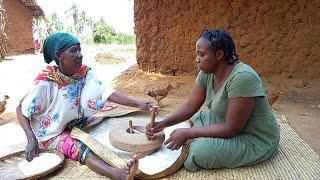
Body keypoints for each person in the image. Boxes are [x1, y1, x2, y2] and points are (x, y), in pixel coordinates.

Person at [17, 32, 152, 180]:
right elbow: (21, 110)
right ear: (59, 55)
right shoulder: (45, 82)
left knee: (105, 124)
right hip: (51, 133)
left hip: (73, 123)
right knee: (81, 147)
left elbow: (106, 92)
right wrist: (31, 139)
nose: (80, 55)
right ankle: (117, 174)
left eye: (80, 50)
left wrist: (138, 104)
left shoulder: (83, 73)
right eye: (74, 51)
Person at [146, 29, 280, 172]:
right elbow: (190, 106)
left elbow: (232, 128)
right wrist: (162, 124)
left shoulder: (243, 77)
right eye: (197, 54)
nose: (197, 59)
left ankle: (202, 142)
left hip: (253, 137)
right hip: (226, 123)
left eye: (201, 54)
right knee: (198, 117)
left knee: (199, 151)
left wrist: (188, 133)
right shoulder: (207, 73)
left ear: (219, 54)